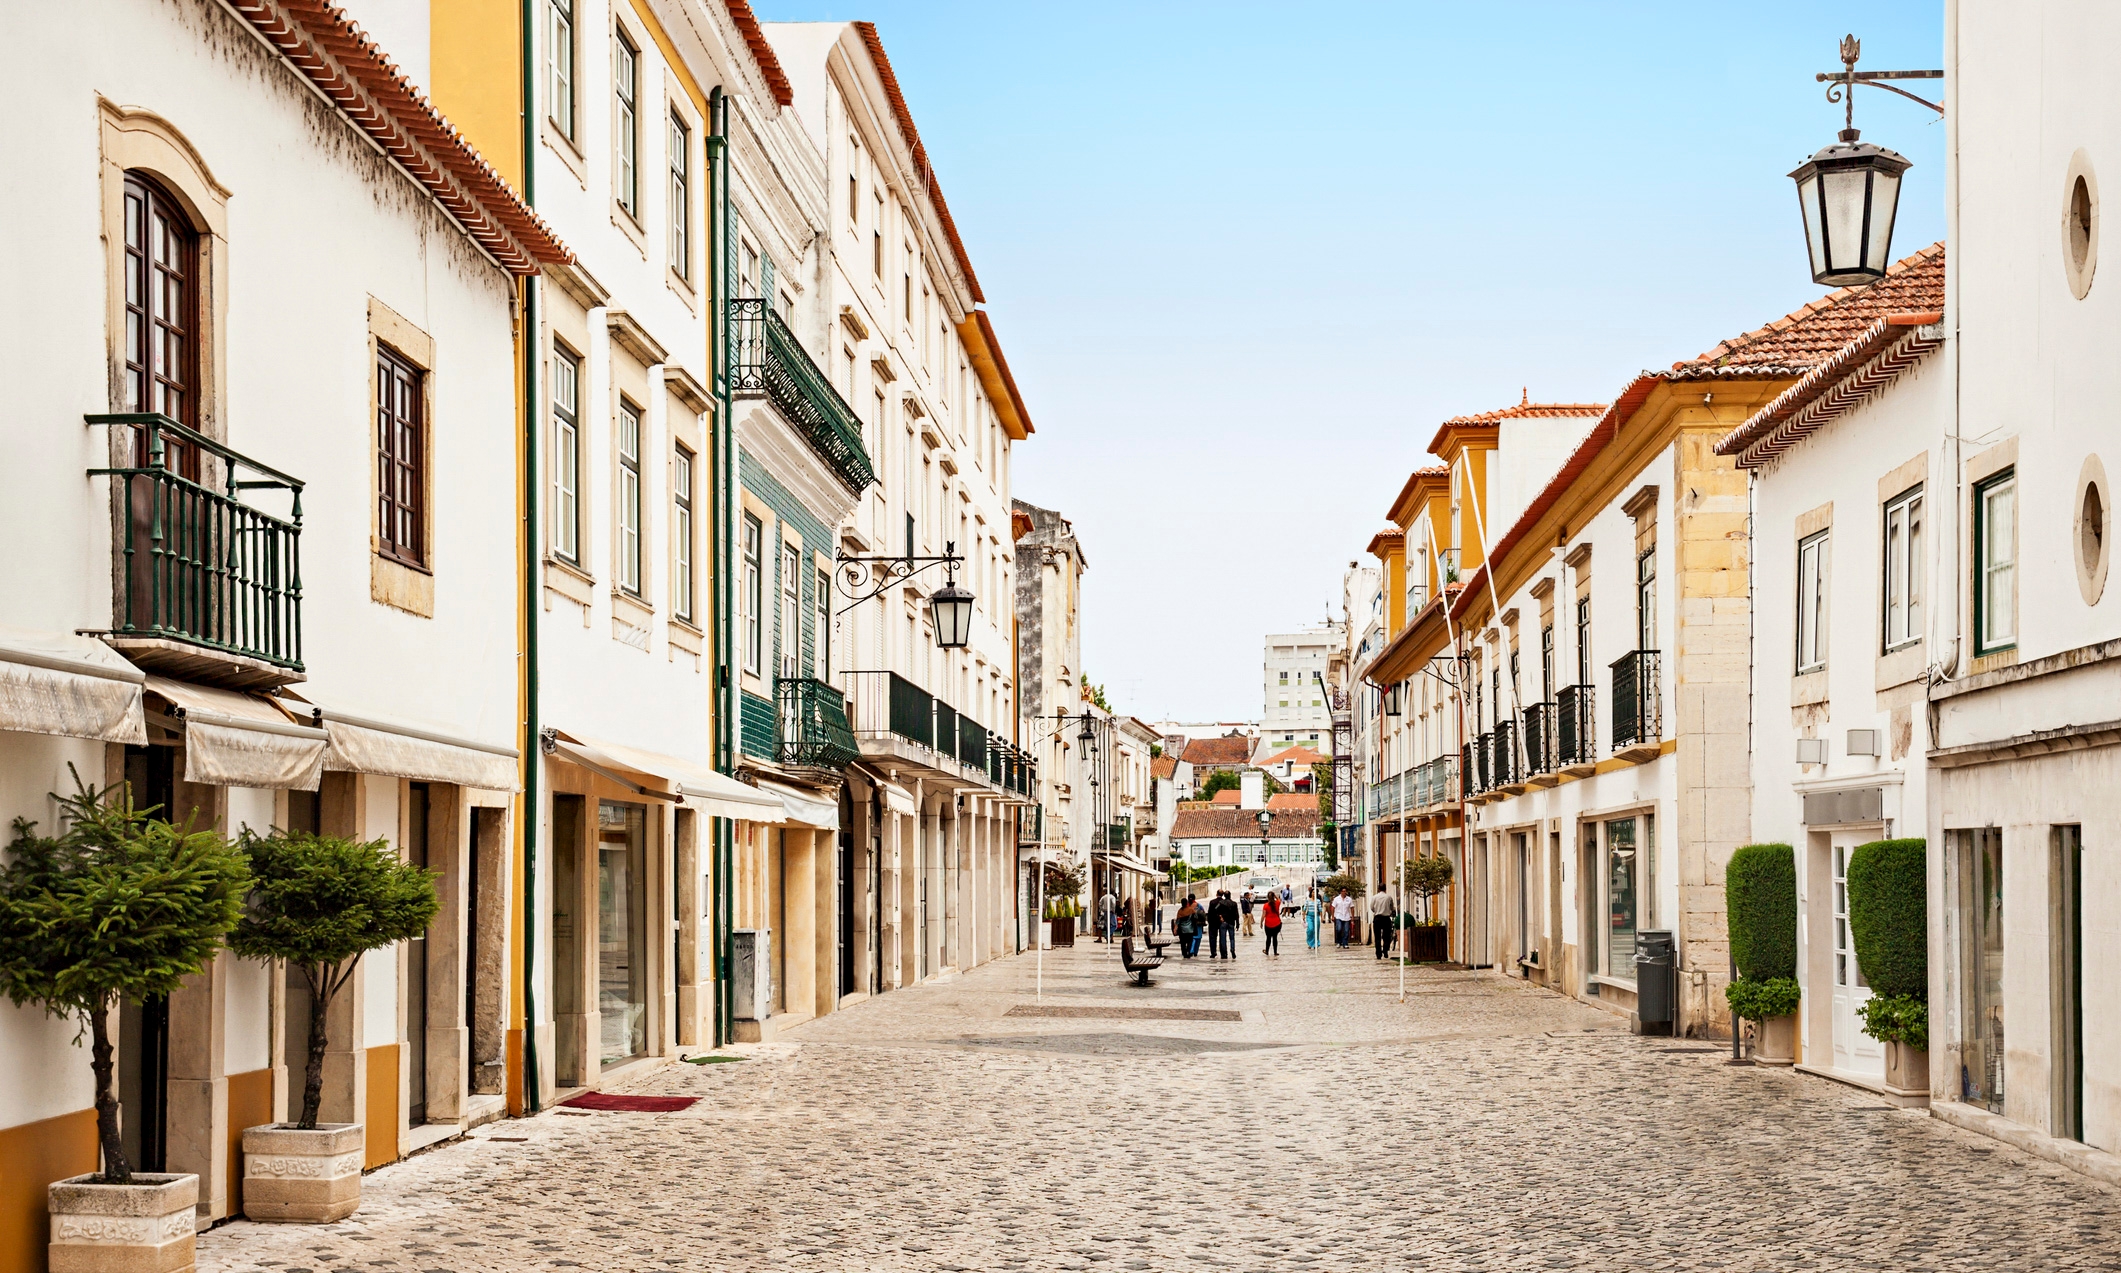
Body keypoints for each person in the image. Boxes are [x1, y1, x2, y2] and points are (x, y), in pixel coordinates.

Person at [1370, 885, 1397, 960]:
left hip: (1377, 918)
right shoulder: (1389, 897)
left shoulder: (1374, 897)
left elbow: (1372, 907)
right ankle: (1385, 950)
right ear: (1385, 889)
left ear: (1378, 889)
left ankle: (1378, 953)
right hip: (1386, 918)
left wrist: (1377, 911)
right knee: (1386, 936)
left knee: (1377, 937)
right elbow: (1391, 907)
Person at [1211, 890, 1239, 959]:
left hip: (1223, 922)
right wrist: (1237, 923)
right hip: (1231, 922)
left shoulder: (1220, 903)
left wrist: (1220, 916)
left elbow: (1215, 909)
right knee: (1232, 938)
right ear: (1230, 895)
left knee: (1223, 938)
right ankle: (1232, 949)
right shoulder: (1234, 903)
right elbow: (1236, 914)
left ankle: (1224, 953)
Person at [1261, 889, 1283, 956]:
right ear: (1273, 897)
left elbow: (1263, 915)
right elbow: (1279, 900)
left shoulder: (1265, 905)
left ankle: (1267, 951)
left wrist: (1261, 922)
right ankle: (1275, 952)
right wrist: (1275, 896)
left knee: (1268, 938)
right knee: (1275, 938)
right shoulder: (1277, 903)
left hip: (1268, 924)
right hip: (1276, 923)